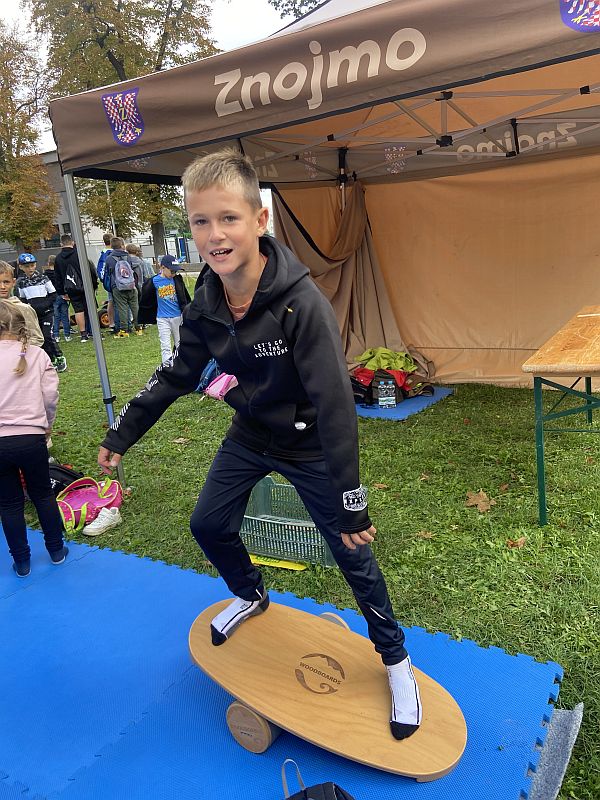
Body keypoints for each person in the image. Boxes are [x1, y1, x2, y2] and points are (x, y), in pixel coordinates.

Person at [97, 149, 421, 741]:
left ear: (259, 220)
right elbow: (178, 372)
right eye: (201, 221)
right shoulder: (205, 303)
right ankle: (250, 593)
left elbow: (335, 404)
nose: (215, 235)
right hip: (250, 434)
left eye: (229, 218)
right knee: (207, 524)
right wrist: (124, 432)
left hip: (311, 443)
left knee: (351, 552)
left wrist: (351, 500)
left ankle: (396, 661)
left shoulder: (302, 304)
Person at [0, 300, 69, 577]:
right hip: (32, 437)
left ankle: (22, 562)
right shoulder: (38, 355)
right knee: (42, 495)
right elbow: (50, 396)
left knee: (9, 504)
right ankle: (56, 550)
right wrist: (46, 425)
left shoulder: (36, 355)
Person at [15, 253, 67, 373]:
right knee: (40, 338)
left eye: (32, 265)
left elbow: (53, 294)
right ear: (21, 267)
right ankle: (49, 359)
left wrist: (45, 304)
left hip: (47, 313)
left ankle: (59, 356)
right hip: (33, 315)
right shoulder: (21, 282)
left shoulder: (43, 279)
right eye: (27, 266)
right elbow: (23, 299)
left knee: (48, 335)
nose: (30, 269)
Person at [138, 254, 191, 362]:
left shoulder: (177, 280)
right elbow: (146, 299)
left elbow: (185, 297)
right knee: (165, 346)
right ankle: (167, 367)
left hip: (177, 317)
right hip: (162, 319)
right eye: (172, 271)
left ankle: (182, 365)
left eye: (176, 271)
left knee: (180, 344)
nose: (174, 274)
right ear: (162, 267)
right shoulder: (154, 281)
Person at [54, 234, 98, 342]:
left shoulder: (58, 258)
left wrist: (61, 292)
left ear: (61, 244)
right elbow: (90, 269)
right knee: (90, 309)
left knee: (78, 310)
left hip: (70, 288)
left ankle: (83, 334)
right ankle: (94, 331)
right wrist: (94, 284)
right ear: (72, 243)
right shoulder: (79, 254)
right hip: (85, 286)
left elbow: (57, 277)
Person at [0, 261, 44, 347]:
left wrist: (16, 348)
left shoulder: (24, 309)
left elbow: (37, 339)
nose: (2, 287)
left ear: (13, 282)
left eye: (6, 282)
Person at [104, 237, 142, 337]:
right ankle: (138, 328)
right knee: (135, 307)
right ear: (121, 245)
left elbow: (108, 273)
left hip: (118, 287)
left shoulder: (109, 258)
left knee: (122, 308)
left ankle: (124, 330)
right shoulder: (128, 257)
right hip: (131, 285)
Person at [45, 255, 72, 342]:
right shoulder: (60, 272)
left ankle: (56, 335)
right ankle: (67, 334)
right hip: (62, 294)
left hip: (52, 297)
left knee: (56, 317)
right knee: (64, 315)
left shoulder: (45, 275)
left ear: (48, 263)